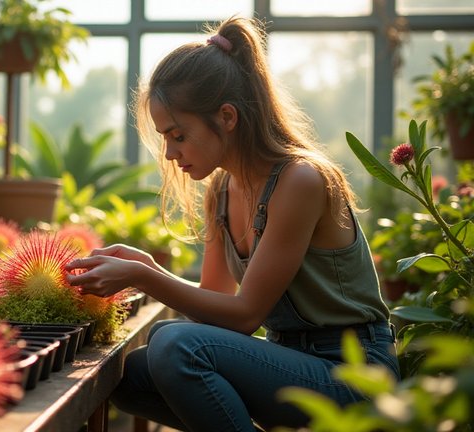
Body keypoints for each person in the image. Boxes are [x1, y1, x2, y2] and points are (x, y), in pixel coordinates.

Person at [64, 16, 399, 431]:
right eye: (164, 137)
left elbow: (244, 316)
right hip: (290, 363)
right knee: (129, 377)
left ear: (226, 117)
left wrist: (144, 278)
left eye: (178, 135)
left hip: (353, 374)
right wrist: (148, 268)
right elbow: (215, 300)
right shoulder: (221, 190)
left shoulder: (301, 179)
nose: (169, 152)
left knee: (172, 344)